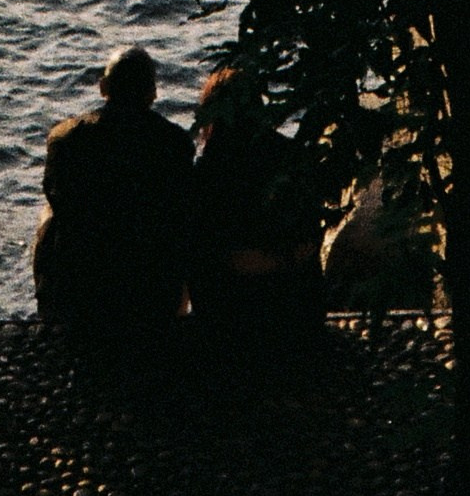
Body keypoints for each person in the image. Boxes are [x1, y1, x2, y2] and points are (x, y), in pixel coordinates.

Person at [33, 45, 193, 354]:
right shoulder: (174, 143)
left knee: (49, 217)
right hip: (152, 288)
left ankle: (53, 315)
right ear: (152, 94)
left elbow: (60, 201)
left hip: (84, 287)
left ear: (103, 88)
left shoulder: (67, 139)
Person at [184, 67, 324, 367]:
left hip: (232, 329)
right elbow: (311, 239)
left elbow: (207, 256)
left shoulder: (207, 174)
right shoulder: (291, 157)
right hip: (298, 321)